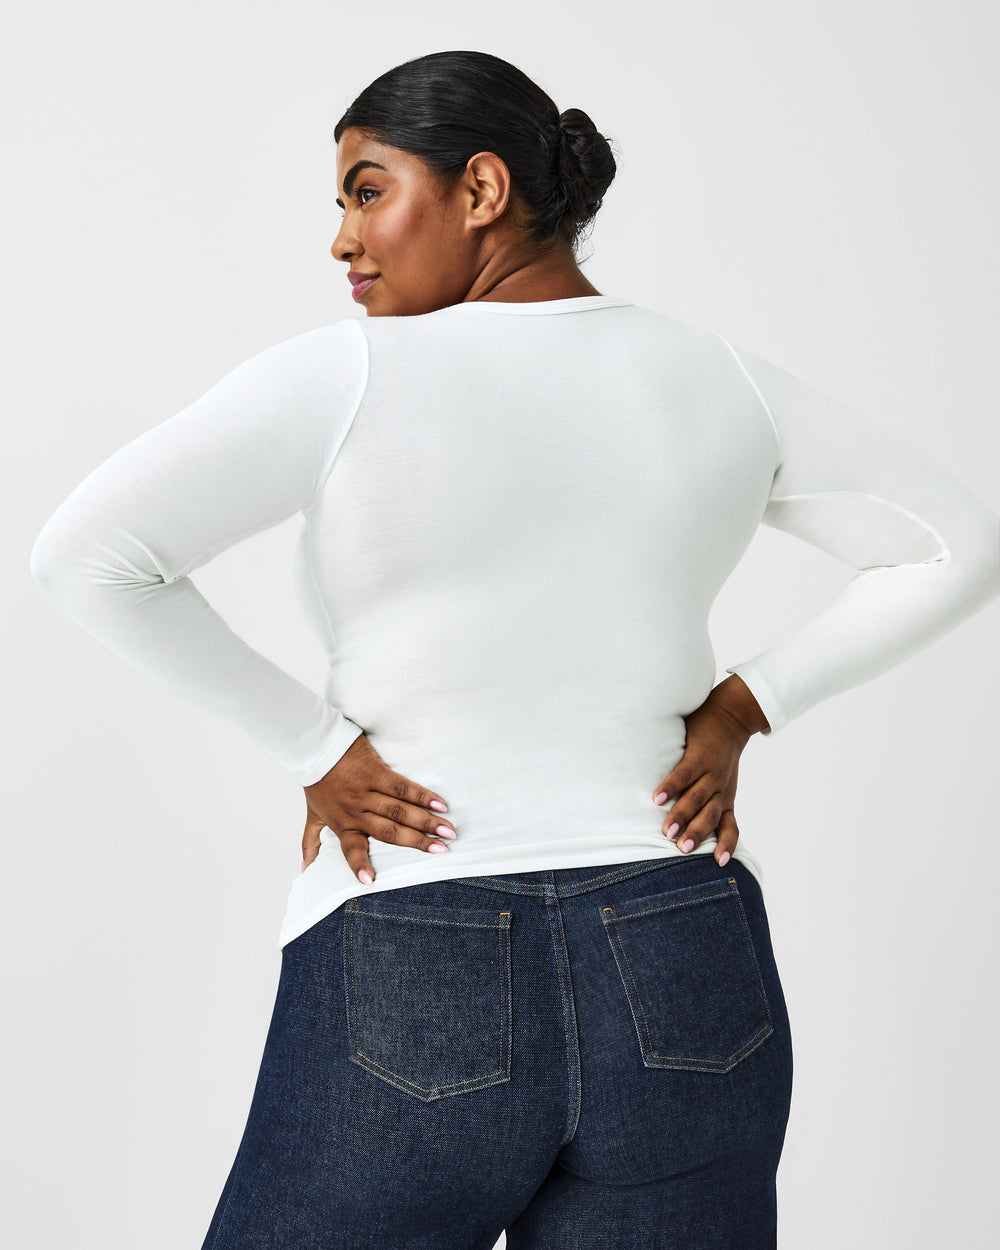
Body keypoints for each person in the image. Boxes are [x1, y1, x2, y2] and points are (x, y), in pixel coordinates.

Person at [28, 48, 999, 1250]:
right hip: (684, 943)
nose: (341, 239)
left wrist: (316, 747)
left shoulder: (346, 374)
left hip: (419, 940)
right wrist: (742, 706)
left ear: (481, 189)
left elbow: (87, 555)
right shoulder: (715, 375)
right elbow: (954, 544)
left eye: (367, 190)